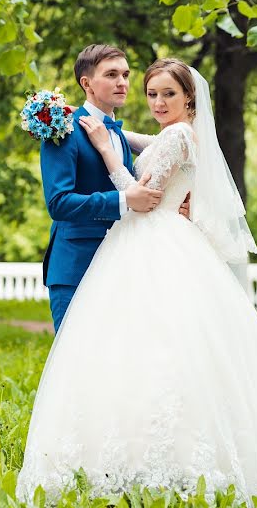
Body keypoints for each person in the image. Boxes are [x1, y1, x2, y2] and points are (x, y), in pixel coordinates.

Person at [17, 58, 257, 506]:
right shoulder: (156, 131)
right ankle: (122, 456)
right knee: (131, 357)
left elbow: (142, 192)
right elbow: (133, 140)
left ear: (189, 97)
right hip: (134, 245)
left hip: (151, 241)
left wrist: (110, 151)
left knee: (156, 354)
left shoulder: (179, 134)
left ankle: (164, 458)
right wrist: (86, 123)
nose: (155, 100)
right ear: (88, 82)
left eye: (167, 93)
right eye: (151, 93)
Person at [40, 44, 186, 333]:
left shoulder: (118, 133)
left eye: (125, 74)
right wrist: (123, 199)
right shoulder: (62, 129)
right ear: (87, 83)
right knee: (75, 358)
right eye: (111, 74)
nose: (122, 82)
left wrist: (185, 197)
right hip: (76, 265)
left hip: (121, 263)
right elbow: (58, 203)